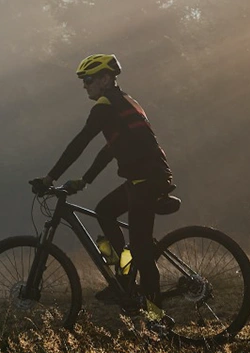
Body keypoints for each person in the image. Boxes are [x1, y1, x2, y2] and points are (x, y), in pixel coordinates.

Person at [29, 54, 175, 321]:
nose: (85, 86)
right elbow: (111, 149)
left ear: (105, 79)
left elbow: (81, 141)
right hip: (143, 178)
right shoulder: (123, 102)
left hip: (147, 180)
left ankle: (157, 320)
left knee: (143, 253)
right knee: (104, 210)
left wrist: (50, 177)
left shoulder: (107, 105)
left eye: (88, 80)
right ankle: (123, 276)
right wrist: (85, 180)